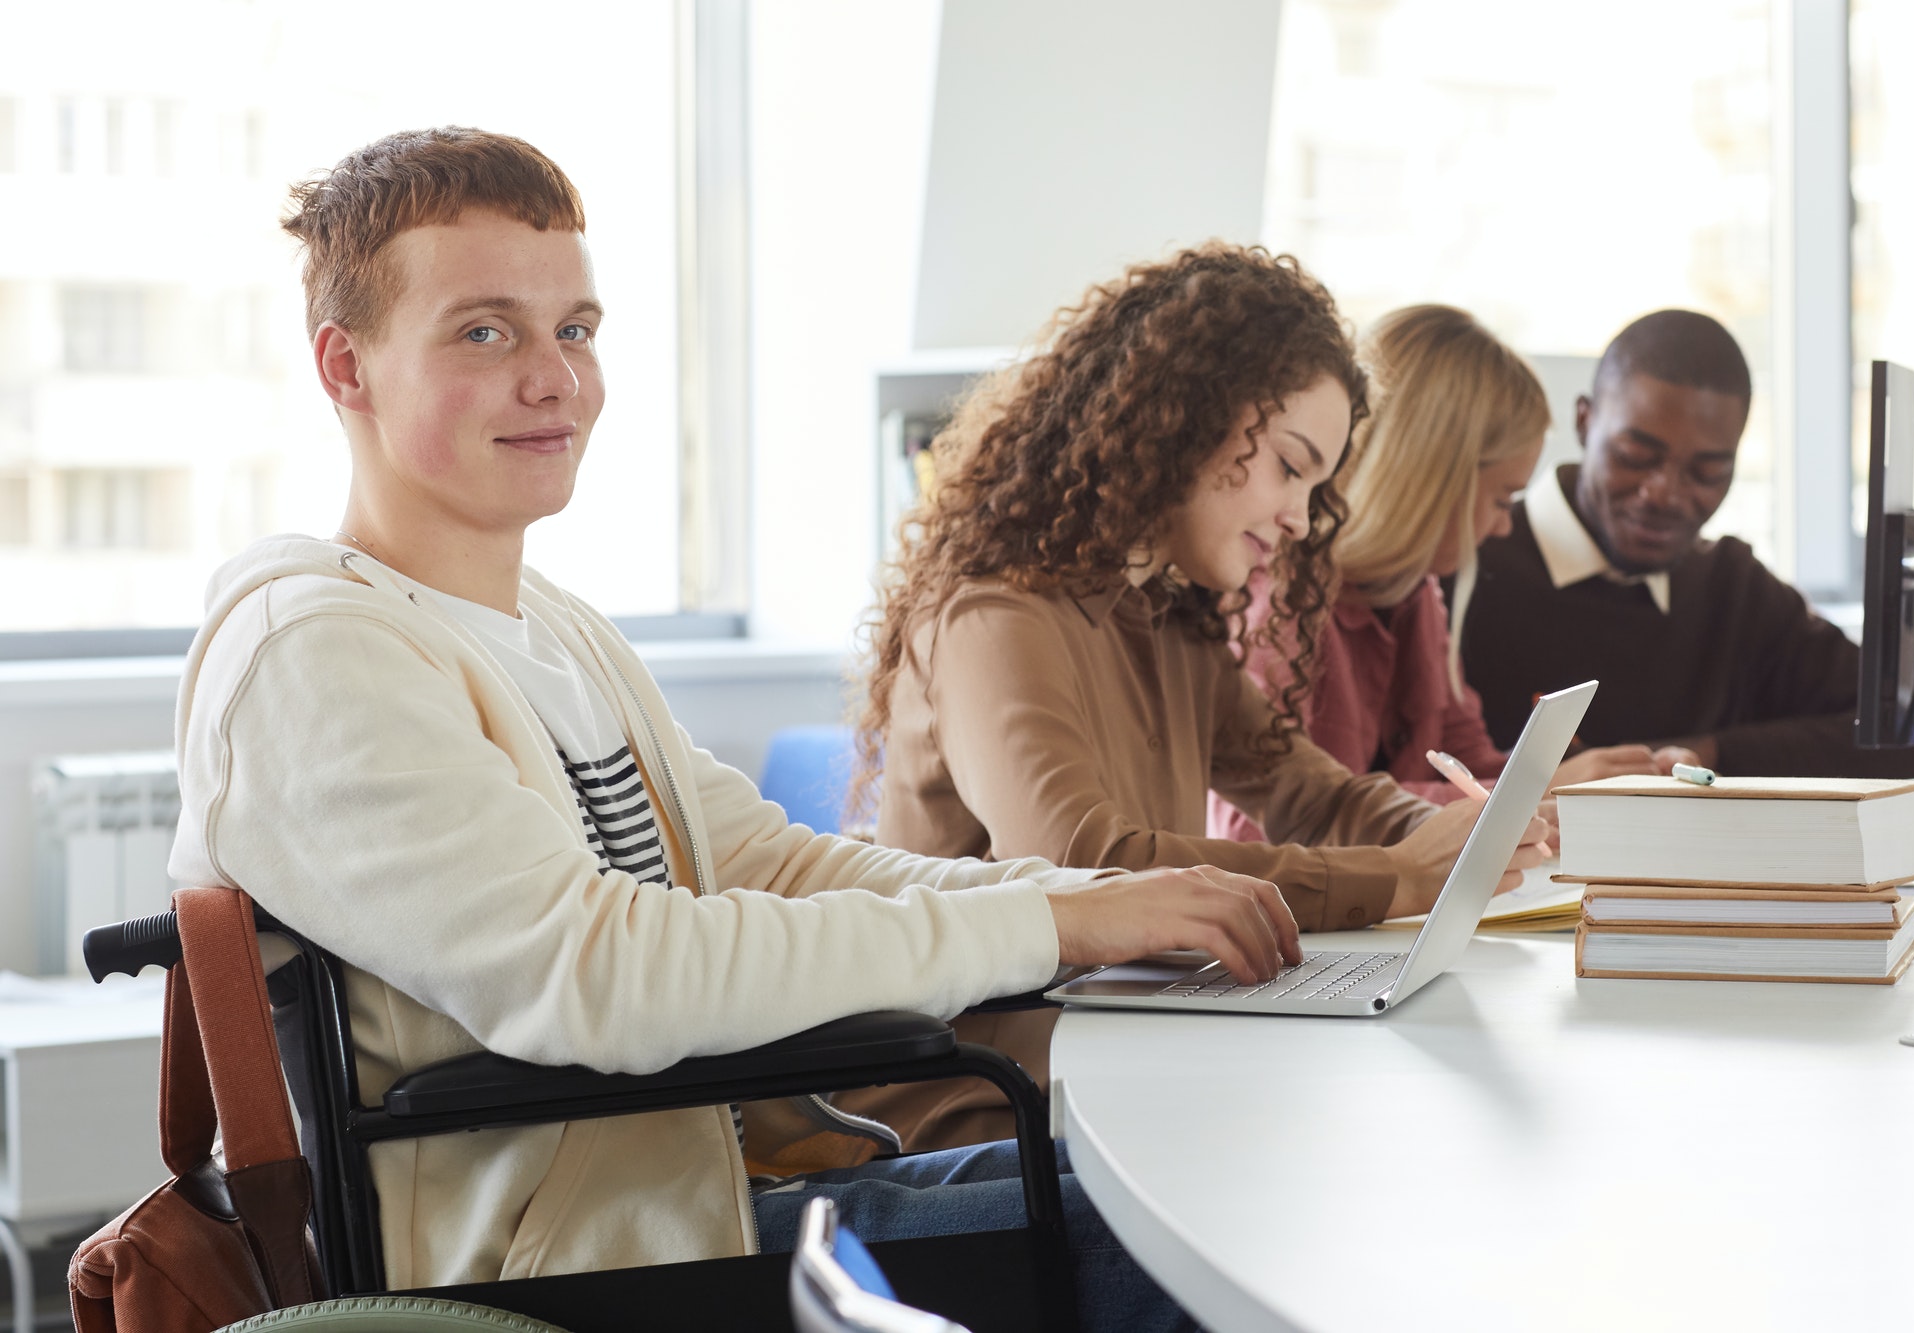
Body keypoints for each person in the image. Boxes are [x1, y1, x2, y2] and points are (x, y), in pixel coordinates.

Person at [166, 127, 1303, 1329]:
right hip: (578, 1273)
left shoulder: (548, 626)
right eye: (483, 331)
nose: (554, 378)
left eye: (576, 329)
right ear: (344, 367)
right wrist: (1045, 921)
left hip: (708, 1203)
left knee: (1221, 1184)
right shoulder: (314, 653)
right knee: (1211, 1244)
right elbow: (598, 975)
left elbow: (772, 863)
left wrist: (1080, 908)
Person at [845, 249, 1548, 1153]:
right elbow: (1083, 859)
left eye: (1315, 487)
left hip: (1120, 1059)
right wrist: (1403, 876)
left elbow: (1314, 791)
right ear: (1181, 425)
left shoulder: (1164, 616)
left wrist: (1454, 835)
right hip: (985, 1111)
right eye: (1290, 468)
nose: (1299, 518)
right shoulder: (993, 613)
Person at [1211, 305, 1685, 846]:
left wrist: (1580, 786)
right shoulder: (1280, 601)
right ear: (1433, 484)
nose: (1506, 527)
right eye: (1502, 500)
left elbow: (1469, 766)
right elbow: (1254, 834)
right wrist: (1537, 791)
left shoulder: (1418, 598)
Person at [1457, 308, 1914, 779]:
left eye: (1706, 472)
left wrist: (1707, 753)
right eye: (1636, 455)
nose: (1664, 493)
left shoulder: (1733, 587)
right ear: (1585, 422)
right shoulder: (1464, 562)